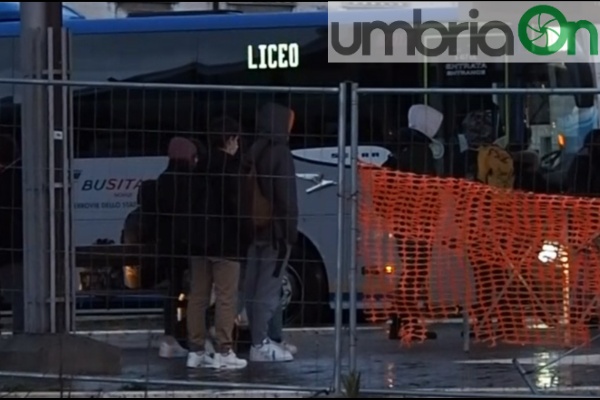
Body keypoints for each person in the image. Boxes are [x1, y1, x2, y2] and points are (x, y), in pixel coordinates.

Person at [185, 116, 249, 369]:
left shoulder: (198, 167)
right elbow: (238, 208)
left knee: (198, 296)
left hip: (199, 242)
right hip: (226, 242)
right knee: (225, 297)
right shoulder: (232, 169)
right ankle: (224, 350)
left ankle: (196, 350)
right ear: (232, 140)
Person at [244, 103, 299, 362]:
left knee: (254, 287)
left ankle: (269, 338)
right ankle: (260, 343)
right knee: (268, 288)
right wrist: (290, 233)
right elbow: (286, 198)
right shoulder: (281, 154)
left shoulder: (253, 150)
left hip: (253, 229)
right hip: (275, 232)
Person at [152, 137, 204, 359]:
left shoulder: (163, 180)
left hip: (166, 245)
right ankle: (194, 337)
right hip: (188, 244)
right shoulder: (191, 180)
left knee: (172, 292)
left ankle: (170, 337)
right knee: (196, 291)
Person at [0, 135, 23, 333]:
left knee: (18, 297)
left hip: (9, 254)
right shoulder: (23, 178)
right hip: (16, 252)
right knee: (20, 301)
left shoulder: (9, 182)